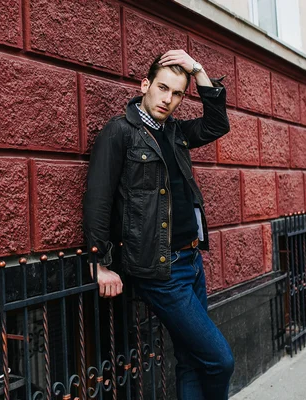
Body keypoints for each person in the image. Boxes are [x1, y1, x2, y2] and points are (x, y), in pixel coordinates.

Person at [83, 49, 234, 400]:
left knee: (191, 360)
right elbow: (98, 201)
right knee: (219, 360)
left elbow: (217, 124)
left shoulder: (176, 133)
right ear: (145, 84)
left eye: (177, 93)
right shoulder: (119, 133)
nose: (168, 99)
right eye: (163, 88)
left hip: (191, 263)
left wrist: (198, 69)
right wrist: (99, 264)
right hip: (160, 269)